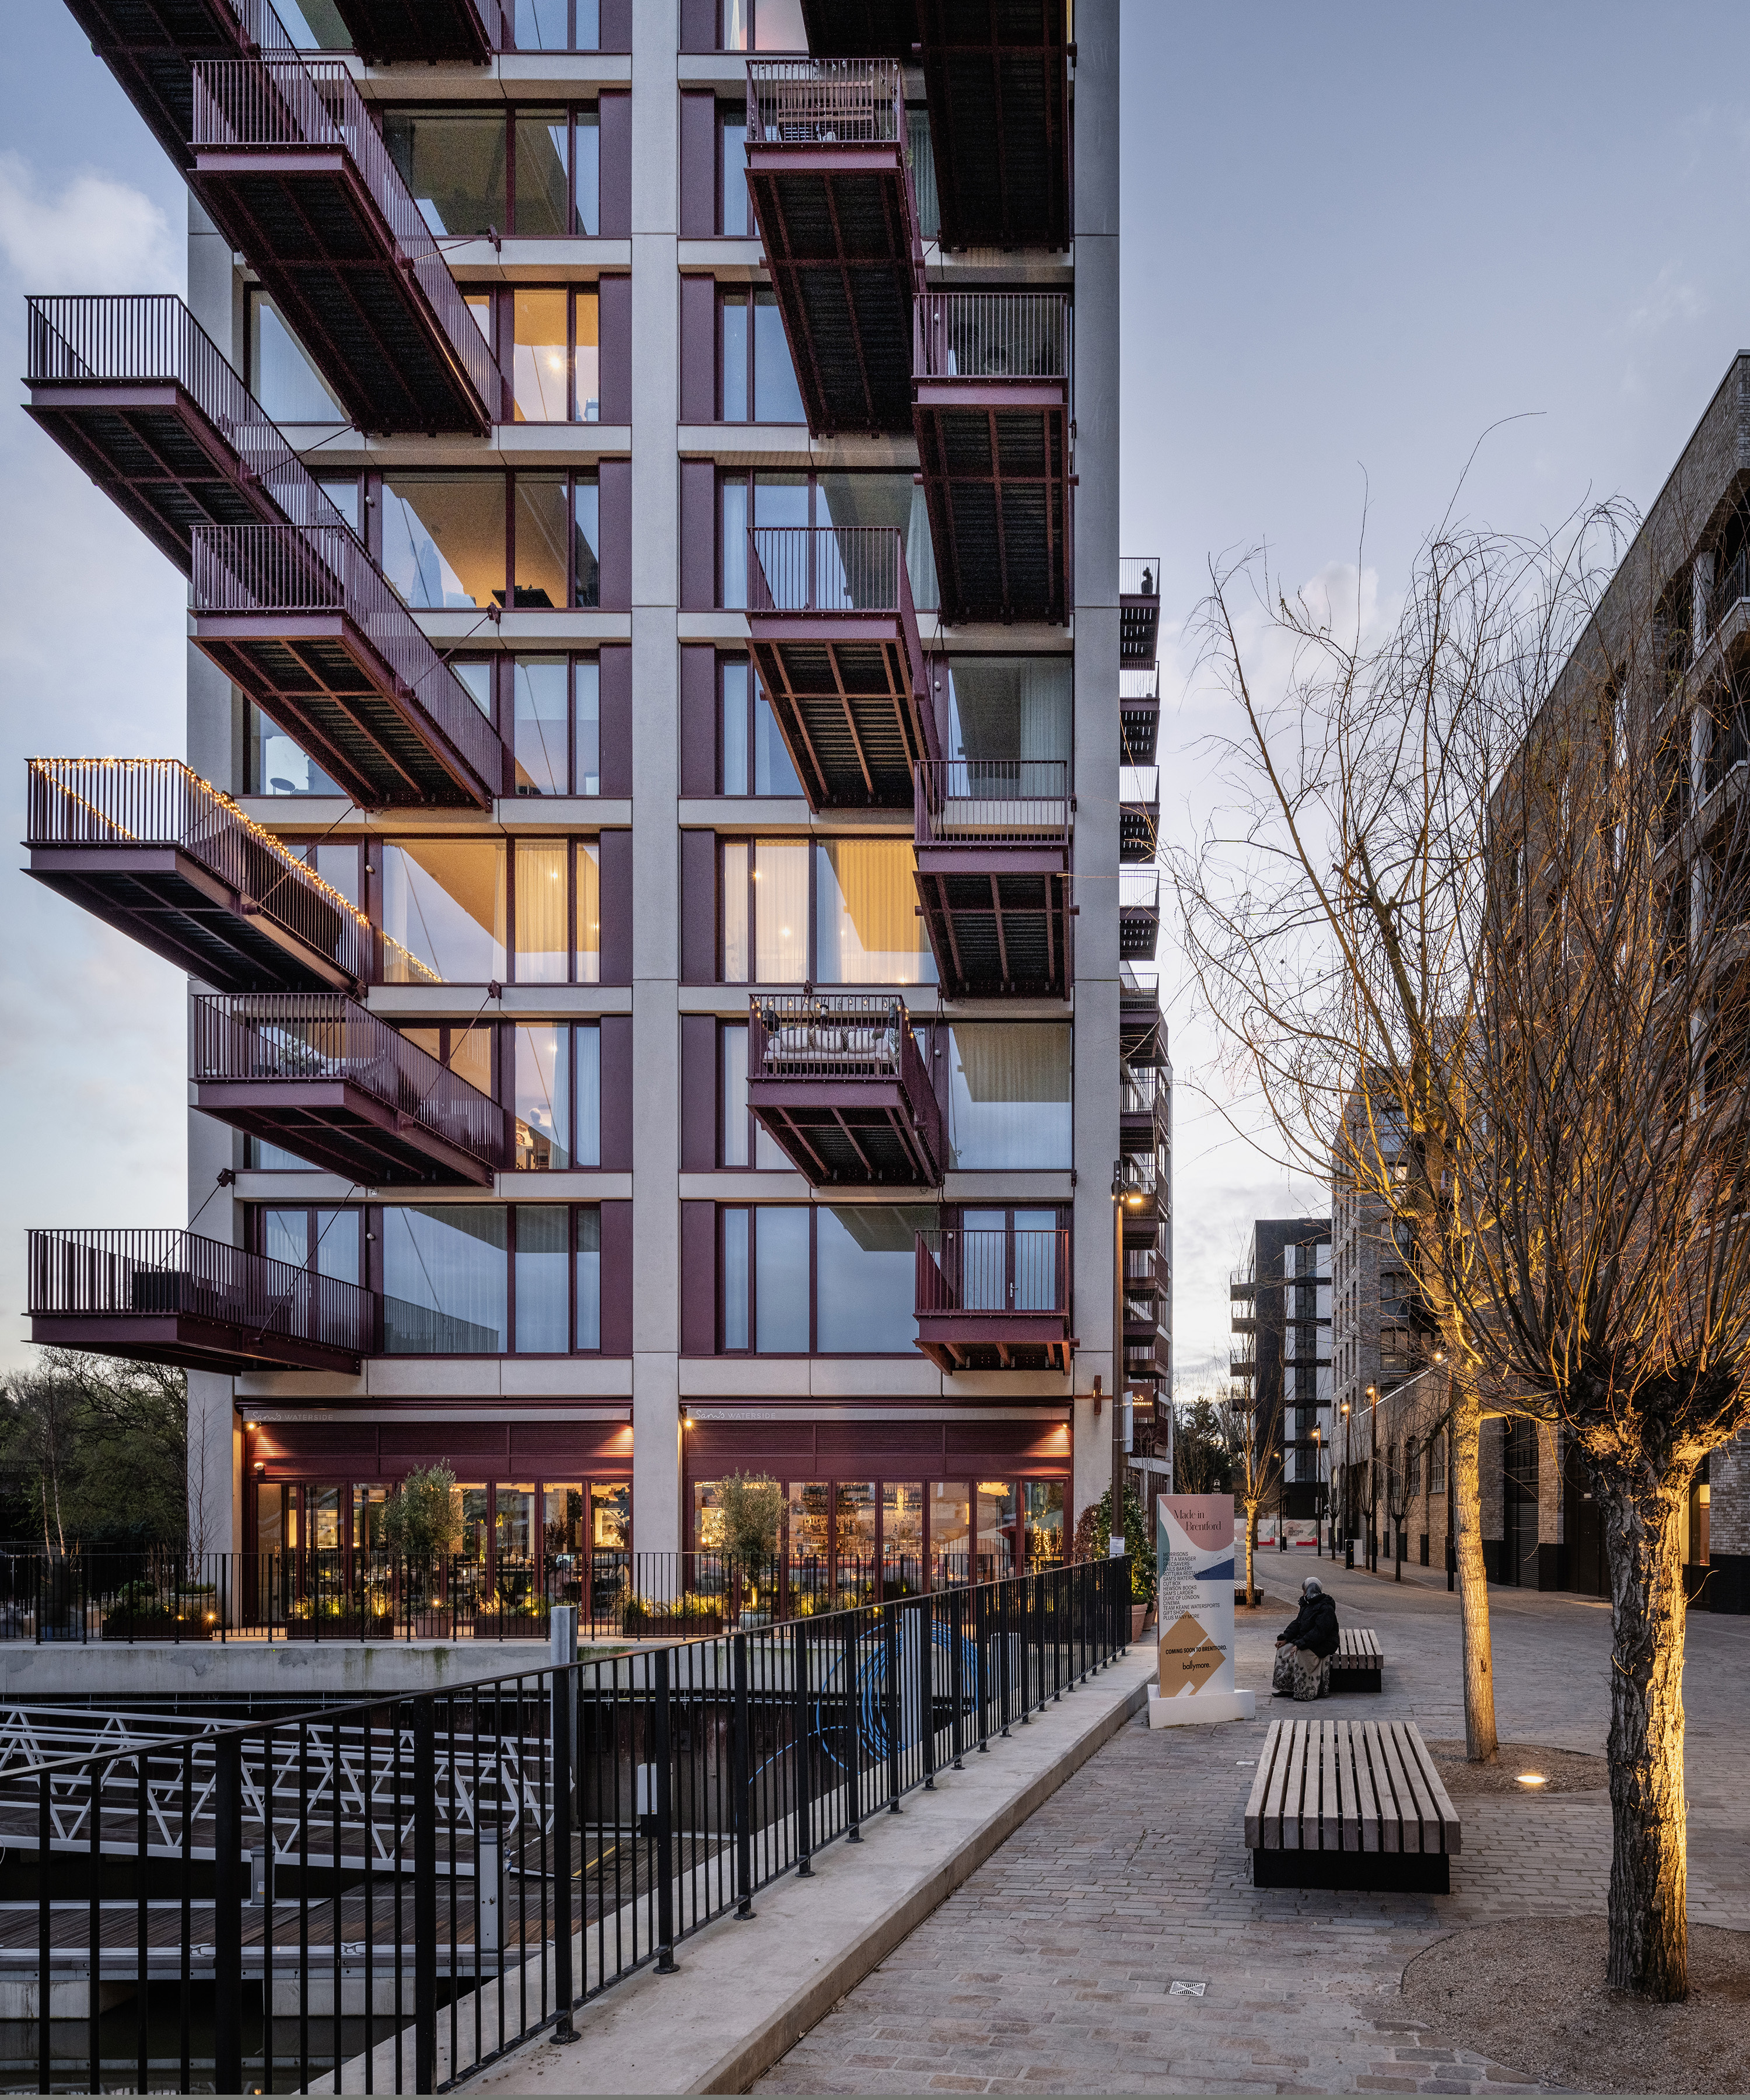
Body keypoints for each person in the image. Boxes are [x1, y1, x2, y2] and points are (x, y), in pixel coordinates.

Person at [1272, 1575, 1339, 1702]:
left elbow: (1320, 1632)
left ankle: (1305, 1691)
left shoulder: (1326, 1607)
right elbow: (1298, 1623)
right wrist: (1285, 1638)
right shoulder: (1307, 1604)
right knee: (1284, 1650)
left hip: (1323, 1643)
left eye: (1304, 1589)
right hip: (1308, 1639)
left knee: (1301, 1654)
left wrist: (1301, 1644)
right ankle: (1287, 1687)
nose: (1303, 1592)